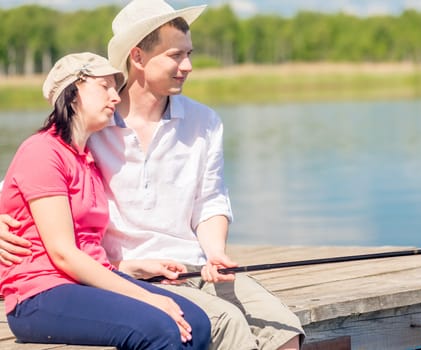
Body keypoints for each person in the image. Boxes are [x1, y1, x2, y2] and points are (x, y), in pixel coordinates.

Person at [0, 1, 305, 349]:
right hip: (125, 275)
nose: (188, 66)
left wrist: (216, 252)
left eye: (189, 53)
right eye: (176, 55)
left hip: (194, 266)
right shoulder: (90, 131)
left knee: (283, 329)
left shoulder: (204, 122)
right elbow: (22, 186)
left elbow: (210, 200)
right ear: (138, 57)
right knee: (221, 324)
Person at [0, 52, 211, 349]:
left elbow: (87, 252)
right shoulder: (42, 152)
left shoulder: (86, 159)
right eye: (104, 87)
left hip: (82, 286)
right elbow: (63, 255)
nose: (115, 97)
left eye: (116, 87)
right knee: (160, 328)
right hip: (39, 296)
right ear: (72, 93)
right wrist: (148, 297)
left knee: (197, 323)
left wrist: (135, 268)